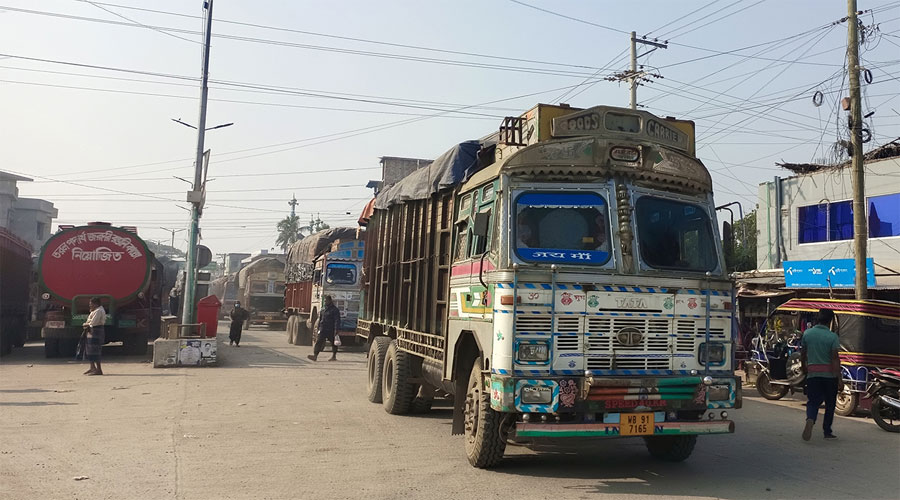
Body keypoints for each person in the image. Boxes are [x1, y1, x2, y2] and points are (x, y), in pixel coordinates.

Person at [800, 308, 843, 441]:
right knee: (830, 404)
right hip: (829, 376)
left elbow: (803, 353)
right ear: (830, 321)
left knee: (813, 401)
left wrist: (804, 367)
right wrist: (839, 378)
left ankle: (811, 419)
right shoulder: (832, 337)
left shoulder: (807, 334)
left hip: (813, 373)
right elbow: (835, 358)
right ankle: (827, 431)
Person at [308, 295, 342, 362]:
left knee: (333, 343)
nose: (325, 302)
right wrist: (318, 329)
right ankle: (315, 355)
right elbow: (320, 320)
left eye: (326, 301)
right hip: (323, 329)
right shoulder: (323, 310)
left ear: (330, 301)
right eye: (325, 301)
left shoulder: (335, 310)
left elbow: (337, 320)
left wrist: (336, 330)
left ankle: (334, 356)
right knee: (318, 342)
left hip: (331, 330)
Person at [82, 297, 106, 376]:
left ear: (96, 304)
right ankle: (92, 367)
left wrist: (86, 324)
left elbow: (93, 322)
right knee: (89, 350)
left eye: (91, 304)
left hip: (96, 331)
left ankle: (98, 369)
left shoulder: (99, 311)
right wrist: (88, 322)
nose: (90, 306)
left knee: (95, 350)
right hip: (91, 331)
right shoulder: (94, 311)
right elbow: (89, 320)